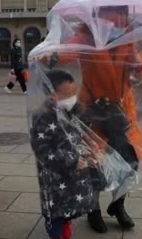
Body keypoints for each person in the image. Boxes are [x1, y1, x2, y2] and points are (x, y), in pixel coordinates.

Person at [44, 5, 142, 233]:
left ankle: (118, 204)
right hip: (94, 111)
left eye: (122, 15)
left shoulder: (128, 39)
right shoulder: (87, 36)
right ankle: (93, 210)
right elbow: (68, 51)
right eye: (111, 15)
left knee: (129, 162)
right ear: (98, 15)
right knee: (95, 164)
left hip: (123, 113)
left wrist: (137, 64)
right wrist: (50, 55)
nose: (117, 21)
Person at [30, 69, 99, 239]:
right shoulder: (43, 117)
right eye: (66, 94)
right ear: (51, 95)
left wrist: (91, 144)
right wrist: (71, 160)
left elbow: (78, 132)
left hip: (72, 172)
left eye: (73, 93)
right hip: (53, 175)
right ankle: (55, 229)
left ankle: (65, 220)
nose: (72, 98)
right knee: (55, 211)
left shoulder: (72, 111)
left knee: (70, 204)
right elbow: (42, 149)